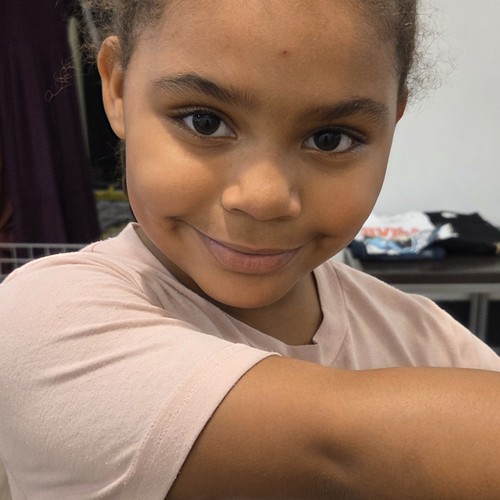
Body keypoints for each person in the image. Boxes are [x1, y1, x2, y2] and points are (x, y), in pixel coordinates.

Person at [1, 0, 500, 498]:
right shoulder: (43, 320)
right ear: (116, 88)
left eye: (330, 139)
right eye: (204, 122)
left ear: (393, 122)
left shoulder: (427, 338)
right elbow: (339, 453)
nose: (264, 199)